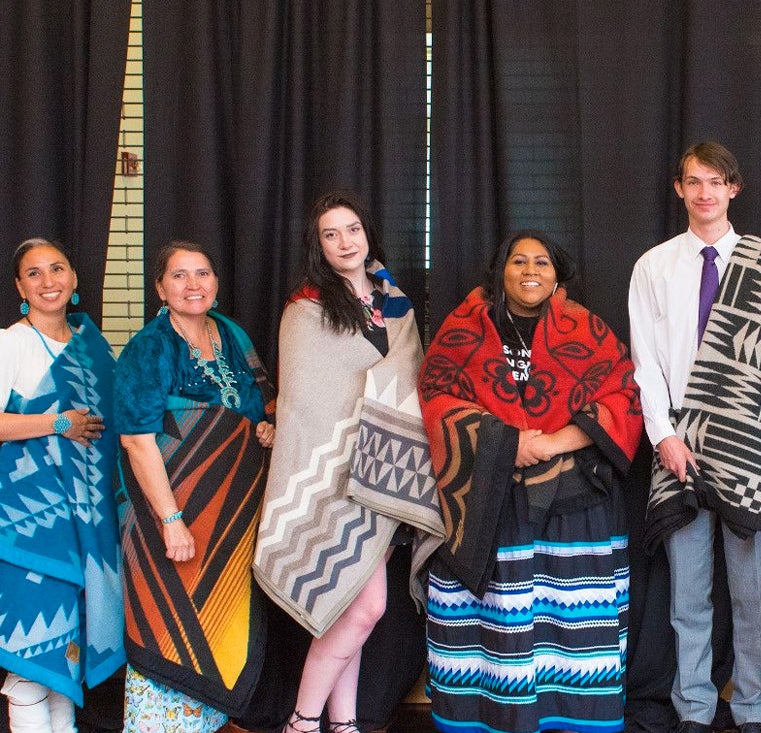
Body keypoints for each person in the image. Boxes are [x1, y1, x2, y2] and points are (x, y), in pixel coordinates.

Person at [628, 141, 761, 733]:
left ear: (734, 188)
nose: (705, 192)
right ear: (679, 189)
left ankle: (752, 711)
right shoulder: (653, 265)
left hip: (745, 445)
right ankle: (693, 709)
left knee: (748, 593)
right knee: (688, 594)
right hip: (676, 443)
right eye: (694, 181)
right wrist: (662, 434)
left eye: (716, 181)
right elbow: (645, 362)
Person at [418, 230, 642, 733]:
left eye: (541, 262)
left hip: (574, 502)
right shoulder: (465, 327)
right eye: (518, 261)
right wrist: (506, 444)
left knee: (569, 621)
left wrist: (550, 442)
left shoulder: (585, 328)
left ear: (556, 273)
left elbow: (624, 395)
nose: (530, 271)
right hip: (488, 503)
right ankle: (490, 715)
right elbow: (435, 395)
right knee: (500, 624)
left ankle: (574, 715)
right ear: (501, 272)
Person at [253, 191, 437, 733]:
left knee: (349, 609)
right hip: (331, 475)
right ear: (319, 245)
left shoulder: (394, 302)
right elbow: (304, 398)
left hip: (382, 469)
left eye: (351, 229)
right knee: (363, 608)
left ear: (367, 234)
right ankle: (303, 721)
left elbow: (411, 376)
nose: (344, 242)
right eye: (330, 234)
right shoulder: (305, 307)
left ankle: (344, 723)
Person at [114, 240, 276, 732]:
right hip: (165, 514)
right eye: (179, 276)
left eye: (202, 273)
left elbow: (263, 400)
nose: (193, 285)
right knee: (166, 627)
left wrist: (267, 426)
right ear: (160, 288)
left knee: (215, 627)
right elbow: (137, 441)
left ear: (216, 283)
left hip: (226, 518)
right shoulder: (150, 346)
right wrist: (170, 522)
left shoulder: (232, 335)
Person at [0, 238, 122, 732]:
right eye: (34, 273)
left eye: (57, 269)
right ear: (20, 288)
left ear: (73, 280)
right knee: (32, 659)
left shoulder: (93, 348)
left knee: (64, 654)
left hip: (88, 527)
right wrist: (57, 424)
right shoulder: (12, 342)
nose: (48, 281)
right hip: (29, 524)